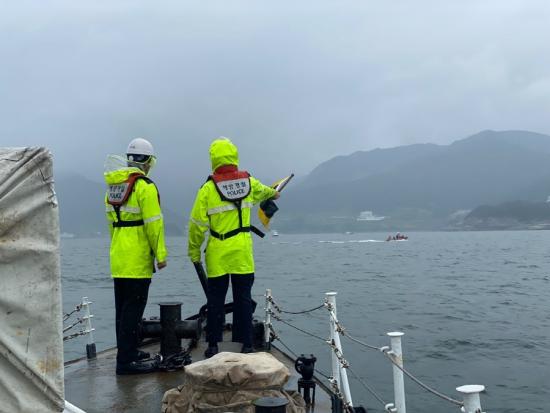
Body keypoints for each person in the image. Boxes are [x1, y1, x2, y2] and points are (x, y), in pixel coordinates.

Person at [188, 137, 279, 358]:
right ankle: (246, 344)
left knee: (215, 300)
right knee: (243, 299)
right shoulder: (248, 182)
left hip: (217, 252)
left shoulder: (208, 189)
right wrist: (274, 193)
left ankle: (213, 345)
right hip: (242, 252)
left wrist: (194, 252)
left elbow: (197, 226)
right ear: (234, 157)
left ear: (214, 159)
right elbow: (267, 192)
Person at [104, 138, 168, 374]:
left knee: (122, 309)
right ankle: (126, 362)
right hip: (137, 258)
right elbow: (154, 225)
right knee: (134, 309)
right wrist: (160, 255)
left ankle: (128, 350)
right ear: (148, 162)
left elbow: (111, 225)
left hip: (118, 256)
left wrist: (118, 247)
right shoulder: (145, 187)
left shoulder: (113, 187)